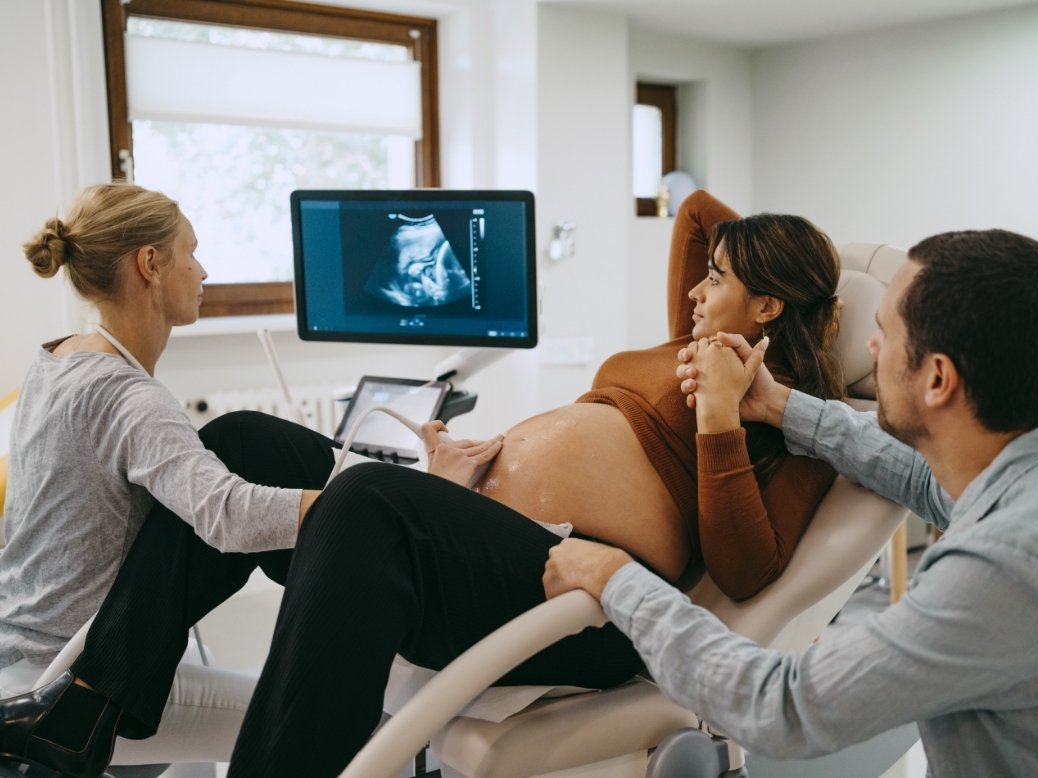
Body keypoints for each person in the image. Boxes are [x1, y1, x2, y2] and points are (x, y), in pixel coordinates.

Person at [1, 186, 842, 778]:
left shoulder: (783, 417)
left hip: (577, 596)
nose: (697, 286)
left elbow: (744, 572)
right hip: (484, 544)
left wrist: (727, 416)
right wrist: (756, 262)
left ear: (768, 308)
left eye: (721, 279)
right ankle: (91, 704)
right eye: (708, 272)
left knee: (366, 499)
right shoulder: (680, 342)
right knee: (239, 439)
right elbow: (698, 215)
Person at [543, 229, 1038, 776]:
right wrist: (777, 406)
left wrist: (616, 579)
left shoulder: (1009, 570)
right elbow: (929, 482)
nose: (868, 345)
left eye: (885, 332)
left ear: (938, 379)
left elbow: (784, 707)